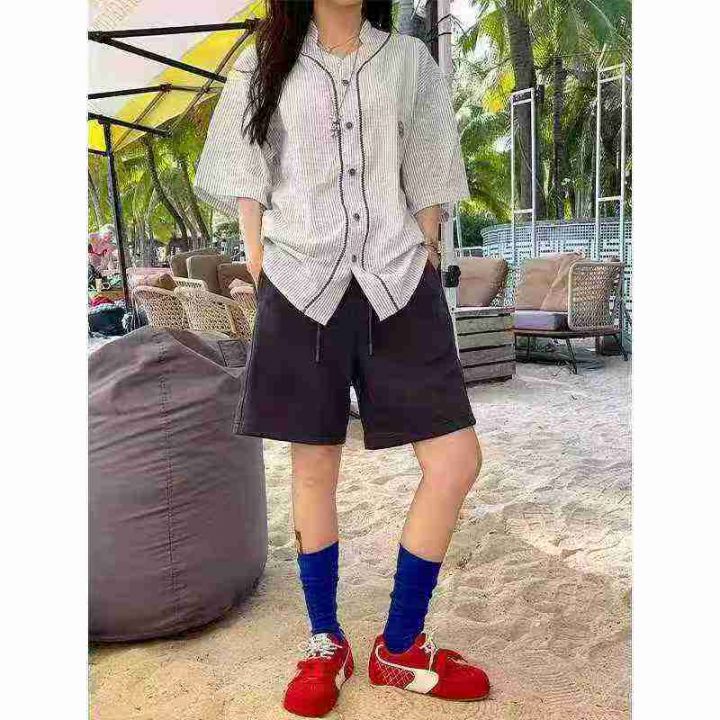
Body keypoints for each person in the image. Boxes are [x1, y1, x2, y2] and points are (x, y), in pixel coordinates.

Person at [195, 0, 490, 715]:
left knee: (456, 459)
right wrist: (259, 260)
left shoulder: (408, 61)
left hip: (399, 277)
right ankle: (326, 641)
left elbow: (427, 161)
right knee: (313, 467)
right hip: (300, 281)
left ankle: (400, 645)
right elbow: (246, 168)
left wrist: (428, 247)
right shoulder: (263, 64)